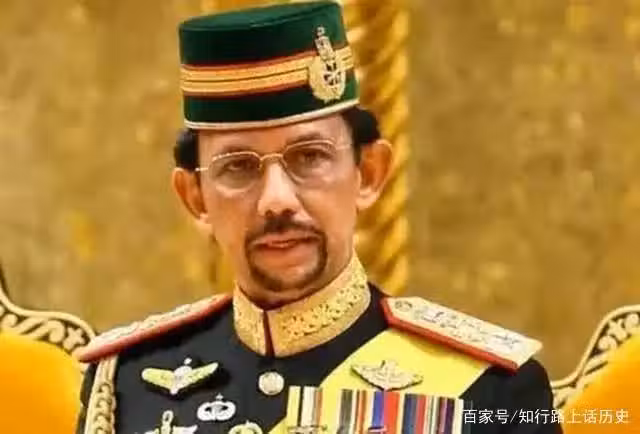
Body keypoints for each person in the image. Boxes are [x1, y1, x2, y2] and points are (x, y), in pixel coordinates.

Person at [75, 2, 561, 433]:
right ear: (195, 198)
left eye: (309, 157)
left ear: (368, 173)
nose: (276, 200)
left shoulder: (491, 390)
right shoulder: (126, 384)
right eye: (238, 167)